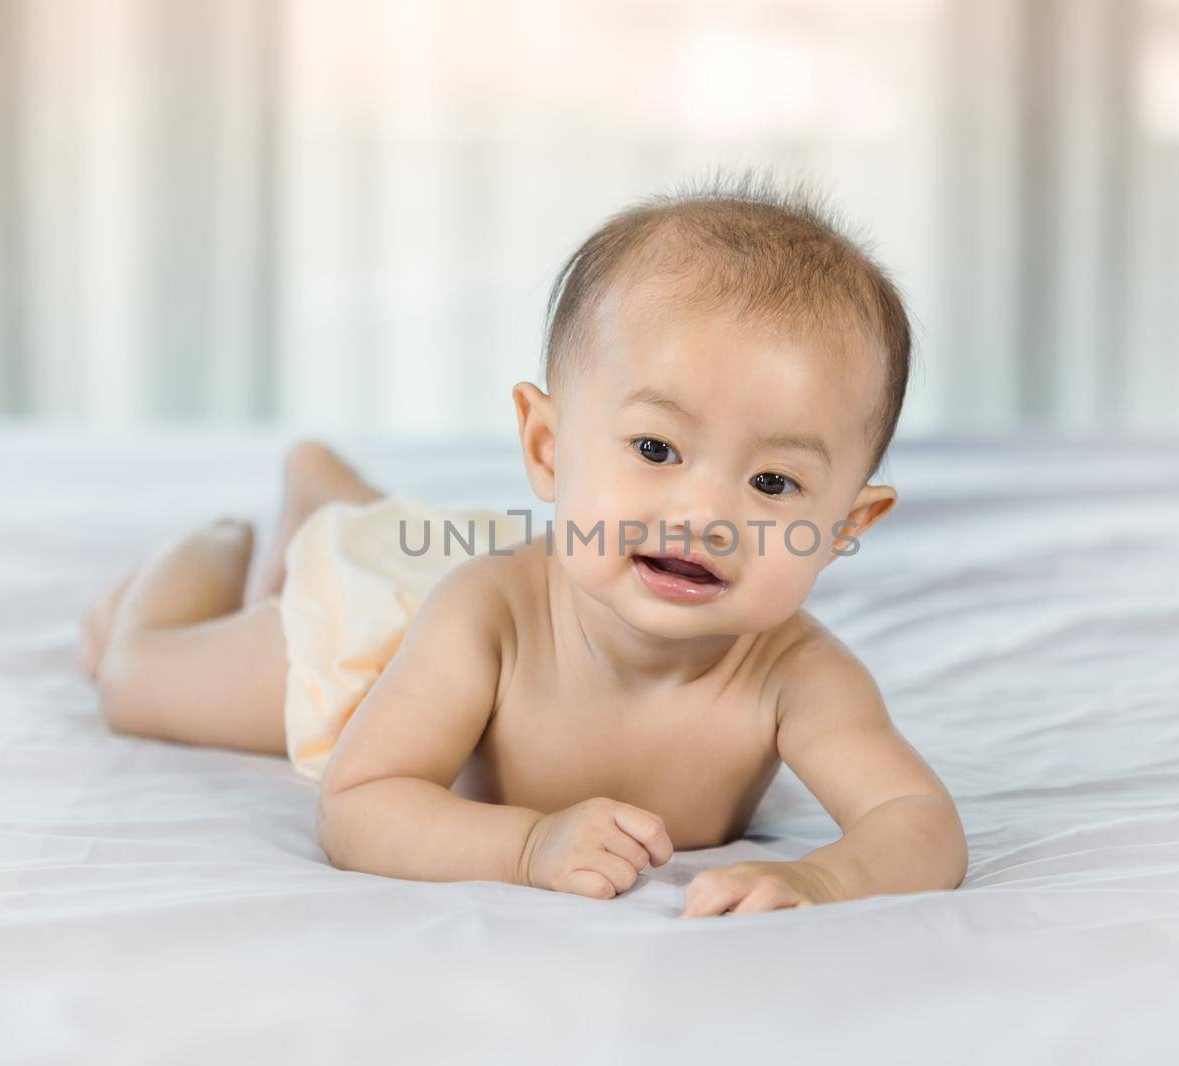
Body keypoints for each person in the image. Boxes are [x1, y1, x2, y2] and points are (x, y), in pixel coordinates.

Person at [79, 172, 968, 917]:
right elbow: (358, 806)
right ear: (548, 448)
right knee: (137, 682)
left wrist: (822, 877)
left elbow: (917, 818)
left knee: (394, 532)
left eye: (773, 484)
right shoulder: (486, 616)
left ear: (847, 526)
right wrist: (528, 846)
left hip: (532, 551)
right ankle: (207, 553)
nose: (706, 518)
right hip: (382, 629)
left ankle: (326, 491)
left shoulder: (798, 677)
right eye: (656, 449)